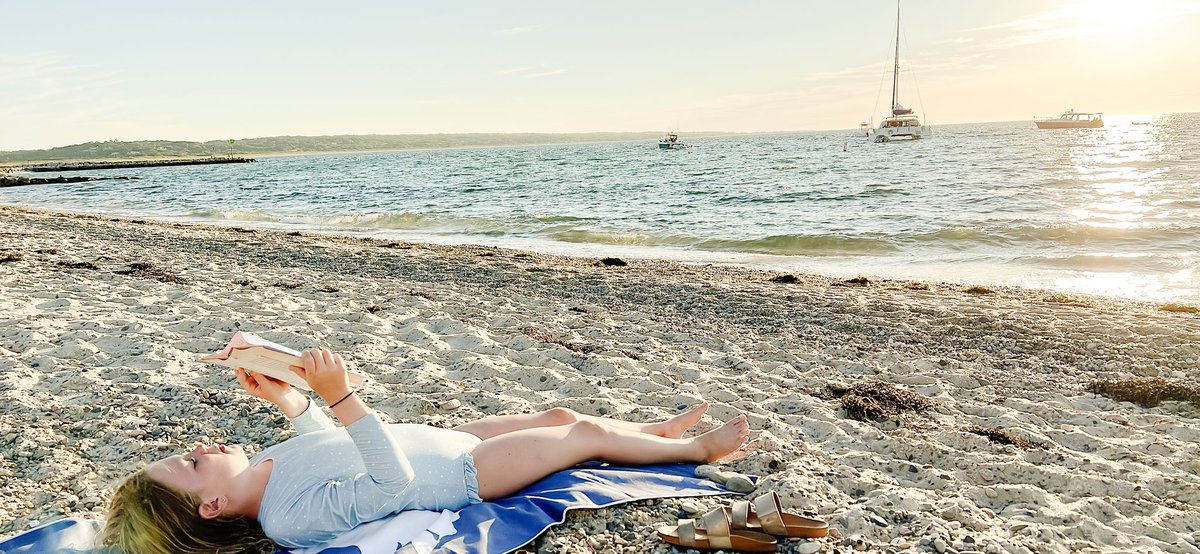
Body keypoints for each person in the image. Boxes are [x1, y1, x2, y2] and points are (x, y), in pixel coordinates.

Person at [102, 348, 750, 554]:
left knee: (562, 416)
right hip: (465, 473)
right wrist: (344, 395)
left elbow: (323, 449)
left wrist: (290, 402)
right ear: (212, 504)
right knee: (579, 441)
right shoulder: (285, 518)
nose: (196, 447)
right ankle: (694, 450)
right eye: (189, 464)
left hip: (452, 438)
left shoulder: (266, 469)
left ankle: (654, 435)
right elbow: (388, 482)